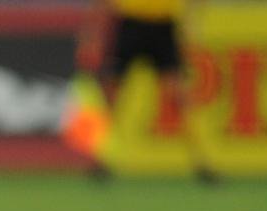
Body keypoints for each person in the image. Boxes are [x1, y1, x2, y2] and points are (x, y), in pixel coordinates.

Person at [76, 0, 217, 181]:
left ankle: (202, 161)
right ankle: (101, 159)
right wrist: (92, 28)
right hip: (131, 24)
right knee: (111, 96)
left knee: (178, 95)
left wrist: (191, 20)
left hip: (163, 26)